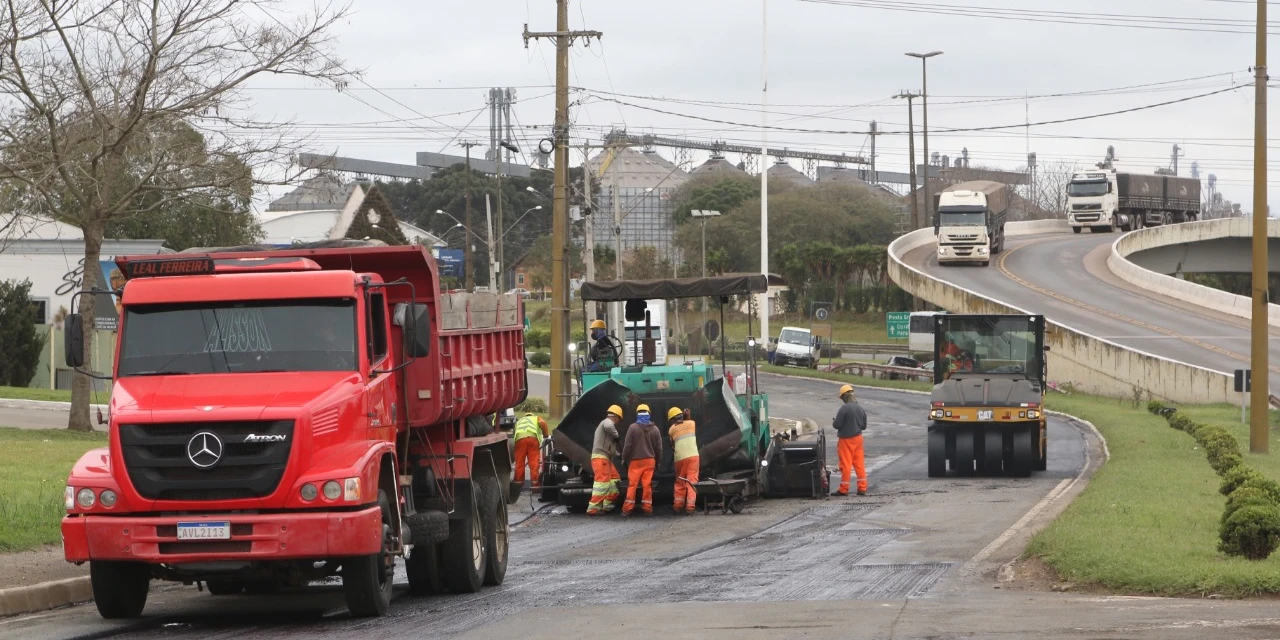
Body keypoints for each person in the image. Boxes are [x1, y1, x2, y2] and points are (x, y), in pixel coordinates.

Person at [621, 403, 662, 516]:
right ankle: (647, 509)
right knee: (647, 485)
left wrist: (624, 458)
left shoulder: (633, 428)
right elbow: (659, 448)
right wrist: (658, 461)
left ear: (637, 414)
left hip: (635, 461)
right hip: (650, 461)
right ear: (649, 413)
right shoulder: (655, 429)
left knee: (632, 485)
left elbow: (627, 445)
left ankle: (627, 510)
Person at [586, 405, 624, 516]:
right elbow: (609, 425)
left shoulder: (606, 428)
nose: (618, 422)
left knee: (615, 480)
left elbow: (610, 448)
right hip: (600, 458)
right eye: (619, 419)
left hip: (605, 458)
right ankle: (593, 508)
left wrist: (618, 454)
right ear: (616, 417)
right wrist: (617, 436)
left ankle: (607, 506)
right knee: (602, 483)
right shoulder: (607, 422)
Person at [831, 384, 868, 496]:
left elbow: (837, 425)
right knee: (859, 464)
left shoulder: (844, 409)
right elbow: (864, 426)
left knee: (846, 464)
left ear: (844, 397)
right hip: (858, 439)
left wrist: (834, 421)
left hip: (846, 440)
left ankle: (843, 489)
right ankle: (862, 488)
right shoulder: (860, 408)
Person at [667, 406, 699, 515]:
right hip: (693, 457)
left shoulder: (671, 430)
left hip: (679, 458)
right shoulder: (692, 424)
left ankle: (677, 506)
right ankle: (690, 507)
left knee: (680, 481)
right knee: (692, 481)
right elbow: (687, 422)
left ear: (671, 420)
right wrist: (687, 416)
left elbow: (672, 446)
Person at [512, 413, 551, 490]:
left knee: (519, 463)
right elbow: (542, 423)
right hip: (533, 440)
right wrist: (545, 435)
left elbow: (514, 432)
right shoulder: (536, 418)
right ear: (531, 415)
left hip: (520, 440)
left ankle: (518, 486)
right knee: (534, 463)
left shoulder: (519, 421)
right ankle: (535, 486)